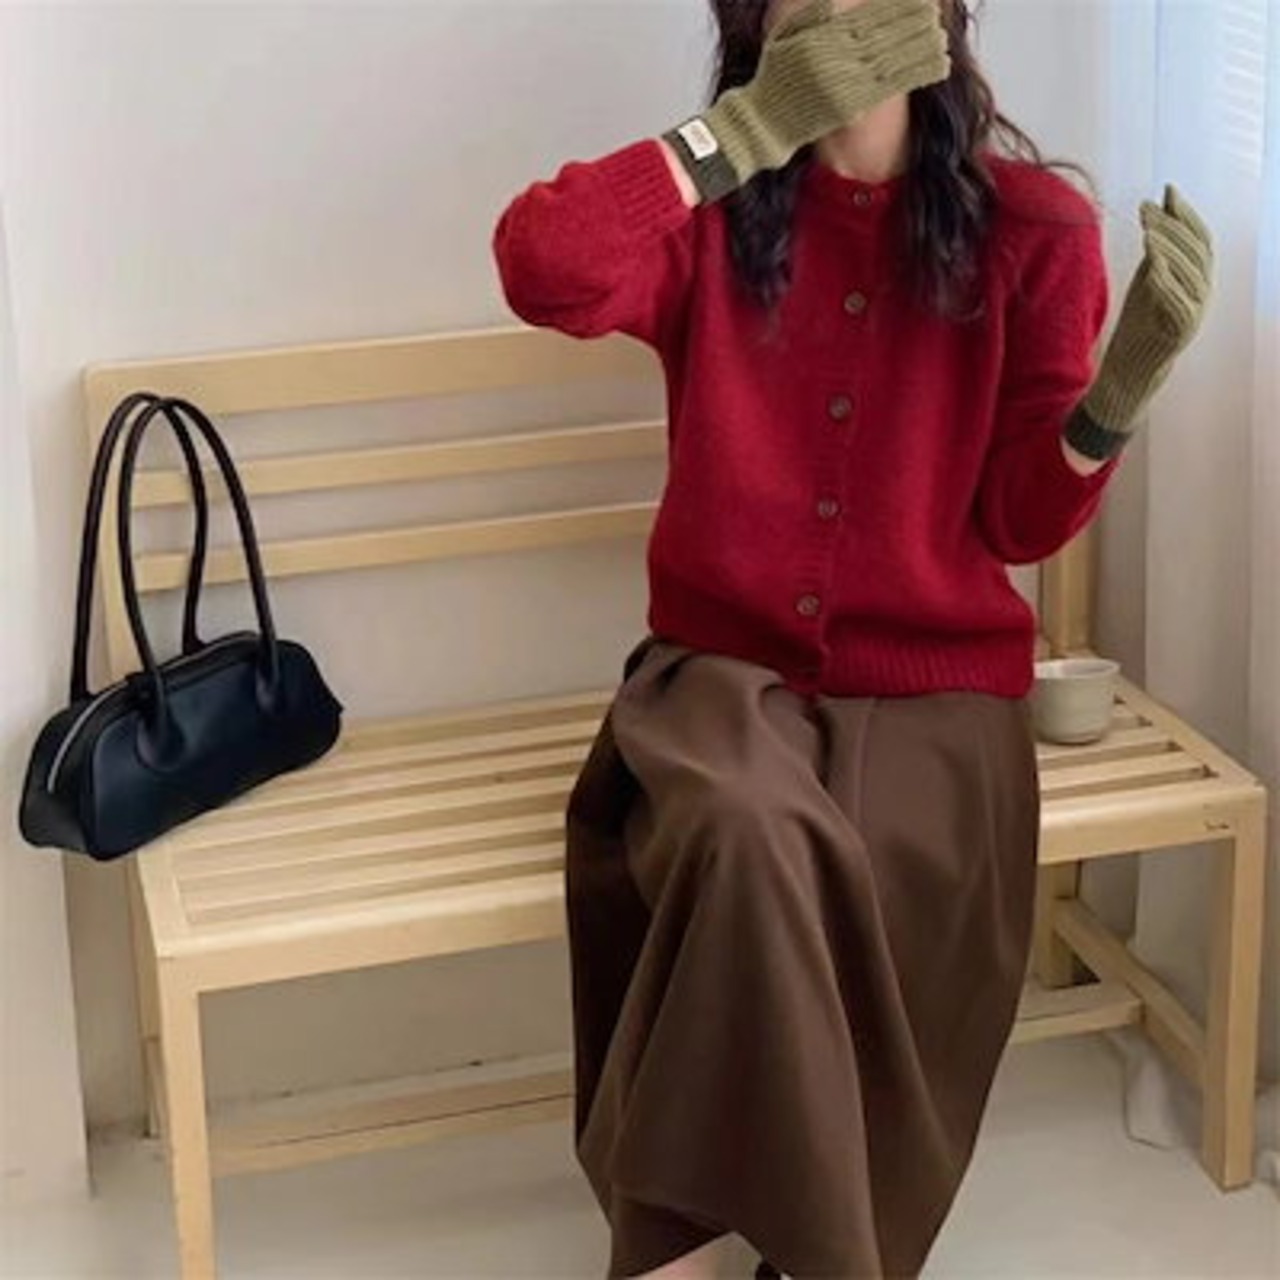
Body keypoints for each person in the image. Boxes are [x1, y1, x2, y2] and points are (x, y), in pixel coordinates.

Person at [490, 0, 1213, 1276]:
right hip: (720, 674)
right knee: (745, 836)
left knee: (876, 861)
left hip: (939, 689)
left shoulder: (1034, 228)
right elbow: (542, 265)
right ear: (755, 21)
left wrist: (1112, 400)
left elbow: (1015, 520)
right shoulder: (709, 212)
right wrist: (744, 134)